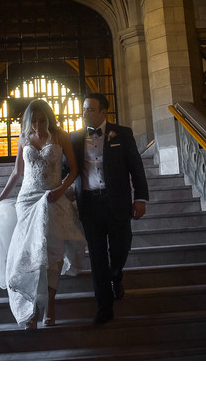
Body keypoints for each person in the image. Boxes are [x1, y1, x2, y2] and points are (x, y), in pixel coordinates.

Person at [0, 99, 85, 330]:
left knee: (52, 253)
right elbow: (16, 173)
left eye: (42, 120)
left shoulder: (61, 137)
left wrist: (61, 190)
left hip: (52, 199)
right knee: (27, 255)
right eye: (33, 121)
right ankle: (31, 309)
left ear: (49, 119)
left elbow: (74, 170)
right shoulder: (23, 138)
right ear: (28, 121)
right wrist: (0, 199)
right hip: (27, 201)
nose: (38, 125)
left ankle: (50, 305)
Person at [69, 93, 148, 325]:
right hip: (90, 205)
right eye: (83, 109)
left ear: (104, 112)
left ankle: (116, 274)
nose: (84, 113)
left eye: (90, 109)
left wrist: (140, 198)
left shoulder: (122, 134)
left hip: (118, 202)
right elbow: (66, 168)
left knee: (121, 247)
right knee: (97, 256)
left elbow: (136, 167)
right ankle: (104, 307)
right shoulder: (74, 138)